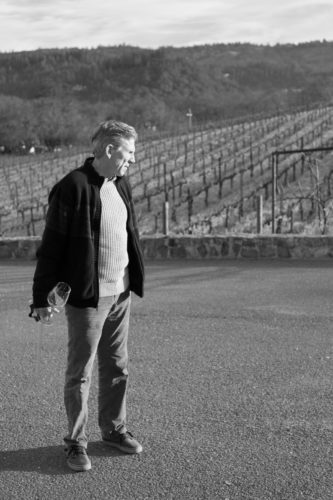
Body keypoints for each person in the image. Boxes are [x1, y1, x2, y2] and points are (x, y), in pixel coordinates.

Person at [31, 120, 145, 472]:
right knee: (80, 373)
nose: (133, 161)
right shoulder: (72, 187)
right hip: (88, 299)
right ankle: (76, 443)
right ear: (109, 150)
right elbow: (51, 248)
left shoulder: (120, 184)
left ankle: (113, 430)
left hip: (120, 295)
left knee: (118, 367)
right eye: (129, 153)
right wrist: (40, 298)